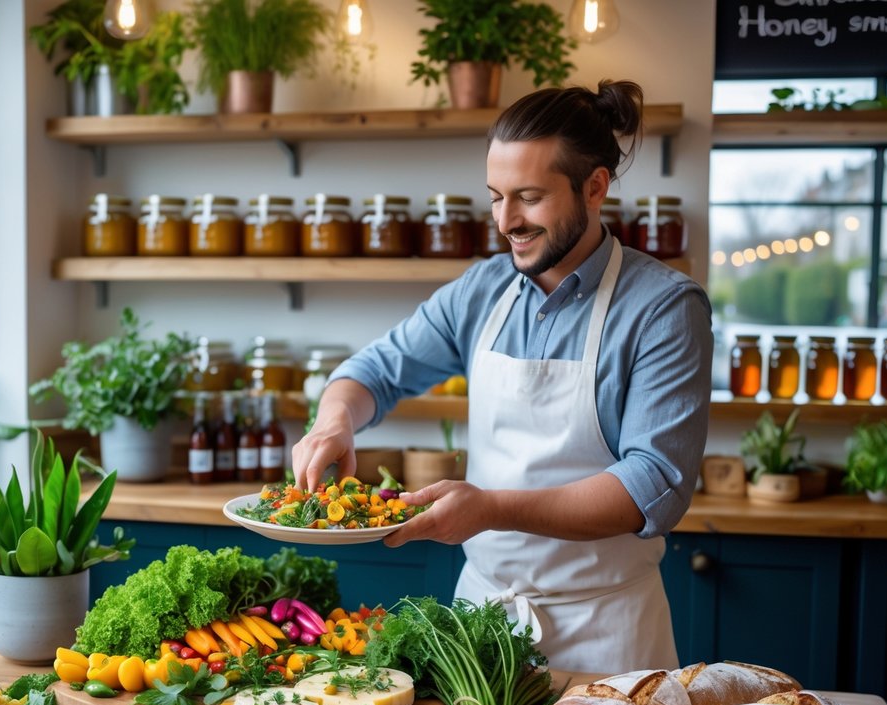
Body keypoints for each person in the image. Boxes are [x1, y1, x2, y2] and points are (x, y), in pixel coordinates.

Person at [292, 80, 712, 674]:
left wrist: (491, 508)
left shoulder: (663, 307)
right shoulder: (482, 290)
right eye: (495, 196)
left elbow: (653, 485)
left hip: (609, 636)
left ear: (595, 187)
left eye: (530, 197)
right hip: (481, 625)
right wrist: (334, 422)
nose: (506, 220)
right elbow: (373, 372)